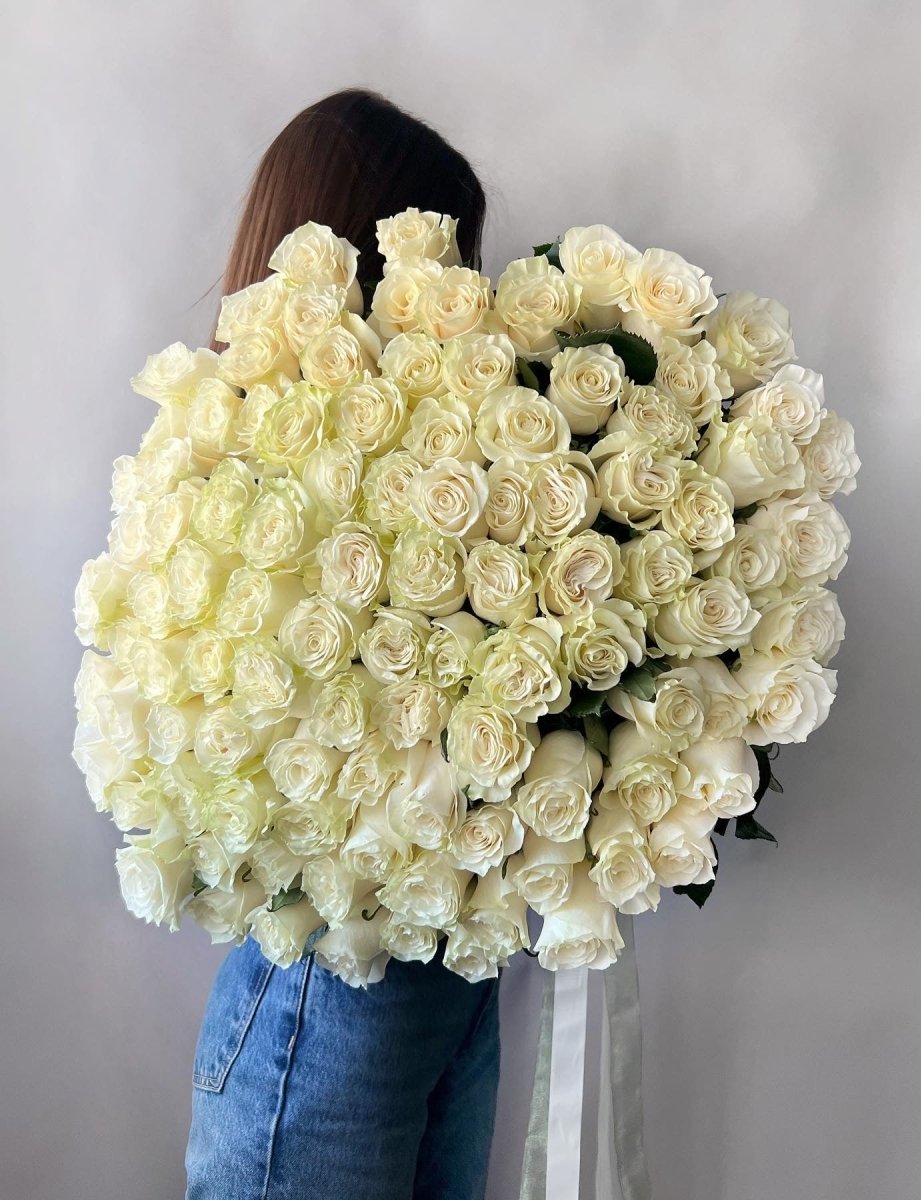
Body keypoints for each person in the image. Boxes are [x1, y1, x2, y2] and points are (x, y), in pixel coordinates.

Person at [184, 89, 500, 1200]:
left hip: (444, 985)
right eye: (446, 264)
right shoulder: (241, 490)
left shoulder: (443, 473)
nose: (467, 299)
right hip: (321, 1013)